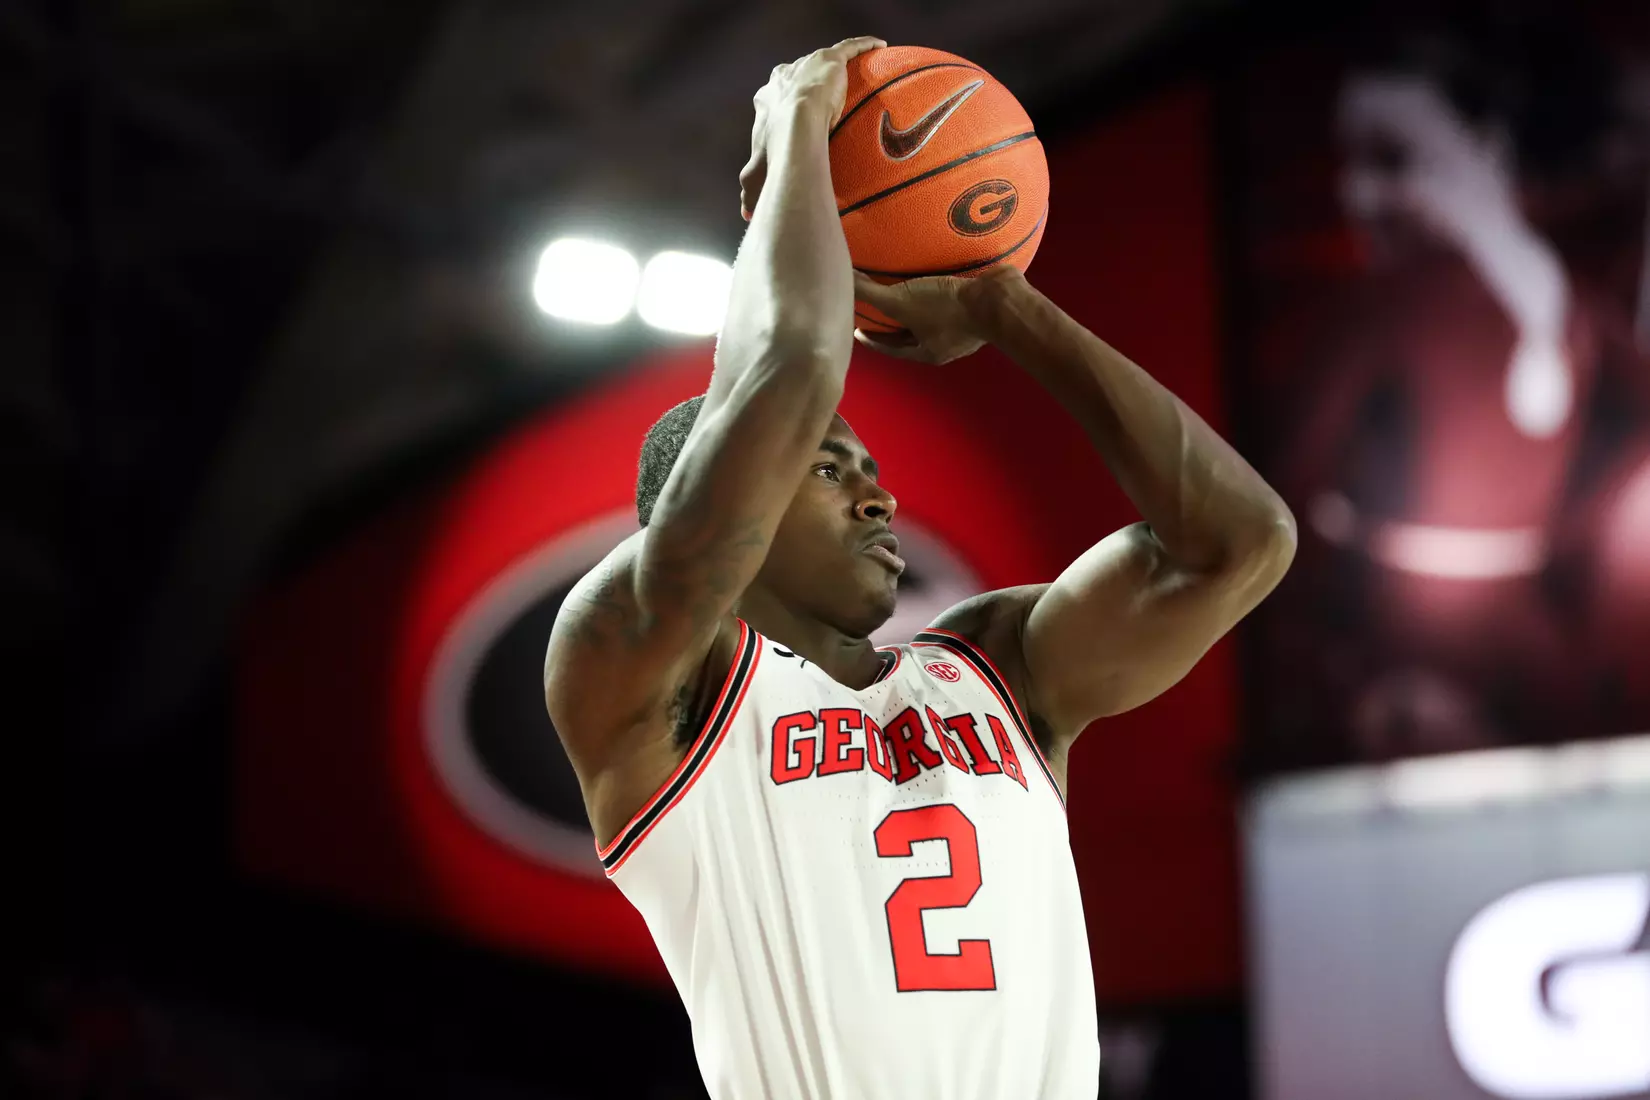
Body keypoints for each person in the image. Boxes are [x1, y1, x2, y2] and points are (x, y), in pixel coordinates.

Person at [543, 37, 1295, 1100]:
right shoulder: (648, 676)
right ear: (717, 502)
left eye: (874, 467)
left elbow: (1242, 542)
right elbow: (789, 368)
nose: (879, 494)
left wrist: (1000, 304)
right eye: (828, 465)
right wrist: (800, 121)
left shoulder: (997, 667)